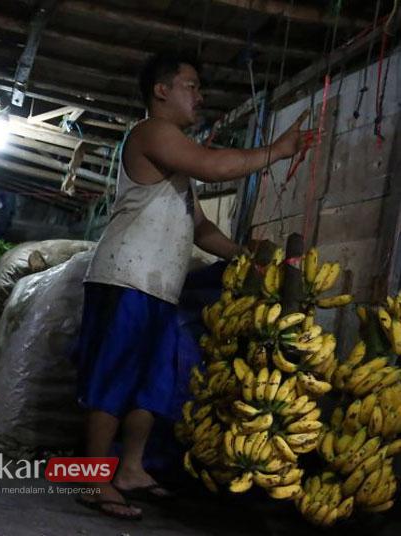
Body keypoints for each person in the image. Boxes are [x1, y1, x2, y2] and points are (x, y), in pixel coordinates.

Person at [73, 53, 311, 520]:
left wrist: (246, 258)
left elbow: (200, 229)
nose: (198, 96)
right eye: (191, 85)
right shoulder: (152, 133)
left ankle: (131, 470)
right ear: (161, 91)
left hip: (157, 286)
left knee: (148, 385)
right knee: (115, 378)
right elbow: (214, 165)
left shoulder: (175, 164)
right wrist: (276, 151)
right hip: (127, 279)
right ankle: (90, 478)